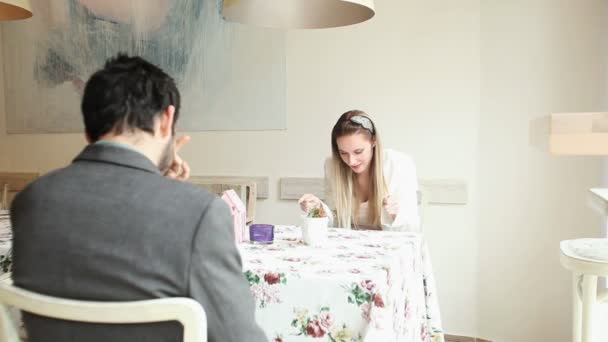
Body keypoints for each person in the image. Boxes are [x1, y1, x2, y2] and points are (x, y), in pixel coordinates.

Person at [10, 54, 267, 342]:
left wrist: (162, 187)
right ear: (166, 120)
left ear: (88, 131)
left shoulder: (30, 201)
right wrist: (173, 195)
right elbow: (239, 337)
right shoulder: (200, 213)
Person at [299, 110, 420, 232]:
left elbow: (413, 230)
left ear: (373, 141)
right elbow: (334, 224)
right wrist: (319, 209)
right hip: (348, 246)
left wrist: (397, 215)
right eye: (343, 153)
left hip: (389, 247)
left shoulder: (398, 163)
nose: (351, 161)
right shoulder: (332, 165)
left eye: (358, 152)